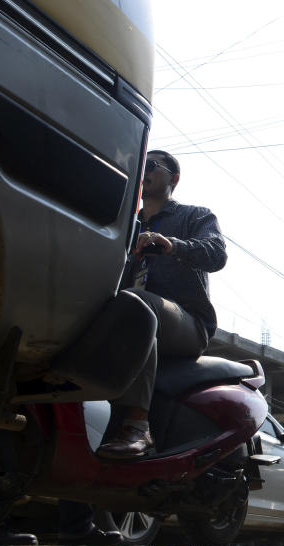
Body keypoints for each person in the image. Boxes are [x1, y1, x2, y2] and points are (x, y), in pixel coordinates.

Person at [96, 150, 228, 458]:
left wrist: (173, 246)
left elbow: (216, 254)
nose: (145, 170)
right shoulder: (126, 225)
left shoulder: (195, 215)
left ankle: (138, 426)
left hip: (189, 323)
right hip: (131, 318)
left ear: (174, 178)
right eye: (142, 164)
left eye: (153, 165)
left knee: (138, 304)